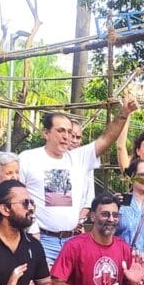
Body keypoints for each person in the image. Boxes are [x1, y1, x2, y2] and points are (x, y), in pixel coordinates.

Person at [19, 96, 137, 264]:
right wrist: (31, 230)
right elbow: (18, 199)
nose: (66, 136)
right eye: (60, 131)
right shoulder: (28, 158)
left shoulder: (77, 157)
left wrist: (124, 113)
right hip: (42, 240)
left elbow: (107, 138)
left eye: (69, 132)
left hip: (72, 240)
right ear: (46, 133)